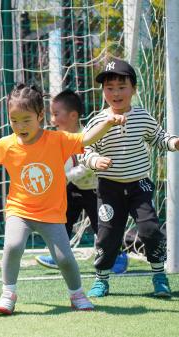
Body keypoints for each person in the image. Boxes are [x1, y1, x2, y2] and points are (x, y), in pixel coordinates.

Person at [0, 83, 125, 315]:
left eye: (26, 119)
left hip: (51, 214)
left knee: (64, 258)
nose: (20, 126)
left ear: (40, 116)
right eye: (14, 120)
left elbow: (84, 139)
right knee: (12, 245)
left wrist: (107, 122)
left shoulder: (57, 140)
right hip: (19, 211)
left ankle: (77, 294)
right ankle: (8, 293)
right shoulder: (8, 145)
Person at [83, 58, 179, 298]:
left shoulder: (142, 117)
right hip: (108, 189)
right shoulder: (97, 121)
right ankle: (101, 279)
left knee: (149, 230)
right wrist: (95, 160)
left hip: (140, 186)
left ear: (134, 89)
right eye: (109, 88)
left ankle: (159, 275)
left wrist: (173, 142)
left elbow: (158, 137)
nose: (116, 93)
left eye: (122, 87)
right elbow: (84, 149)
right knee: (107, 235)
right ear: (103, 91)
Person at [35, 90, 128, 274]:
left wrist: (66, 177)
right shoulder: (58, 139)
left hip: (97, 189)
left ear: (73, 115)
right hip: (75, 188)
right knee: (62, 220)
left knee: (102, 225)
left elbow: (87, 165)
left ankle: (118, 257)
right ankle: (59, 256)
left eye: (55, 114)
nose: (52, 120)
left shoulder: (87, 135)